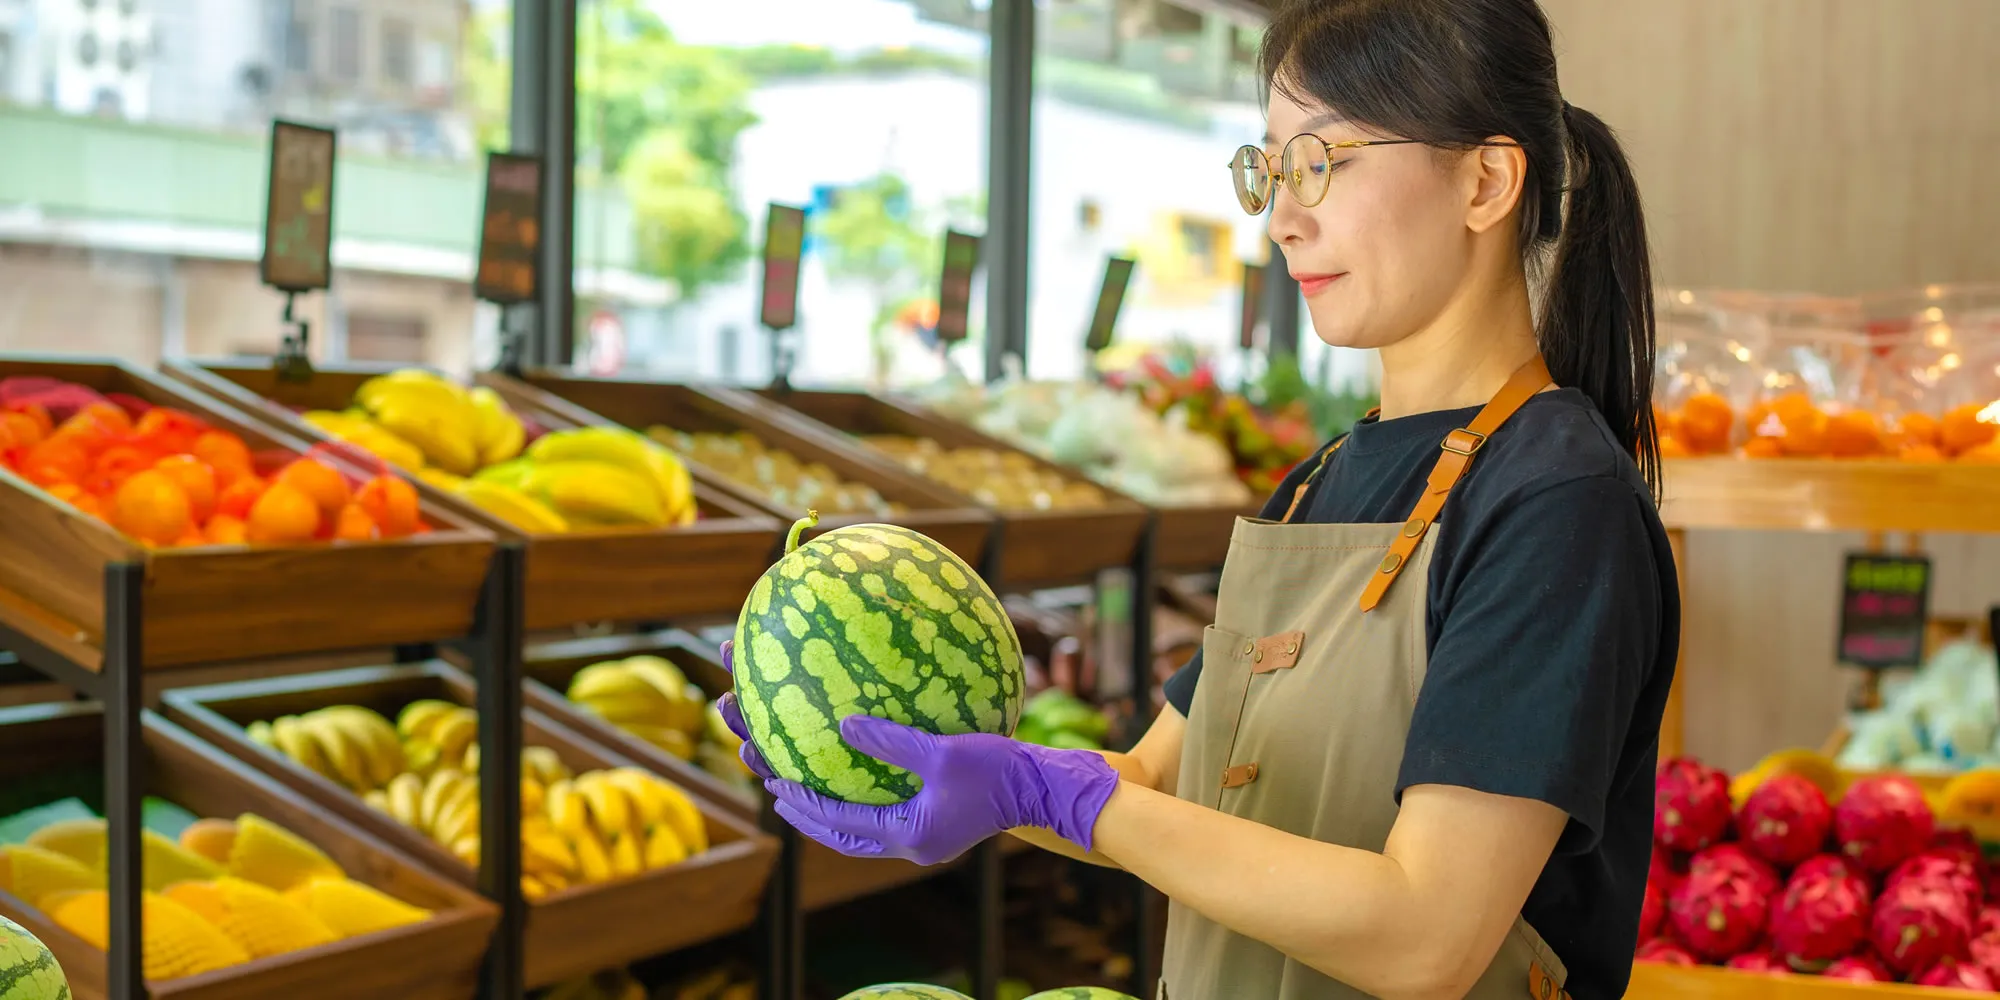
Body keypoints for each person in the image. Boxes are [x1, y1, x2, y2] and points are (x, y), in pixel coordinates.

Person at [717, 0, 1680, 996]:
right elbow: (1152, 789)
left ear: (1484, 179)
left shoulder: (1557, 504)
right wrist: (964, 772)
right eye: (1268, 169)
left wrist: (1057, 793)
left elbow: (1424, 935)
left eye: (1320, 163)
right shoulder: (1315, 488)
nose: (1280, 221)